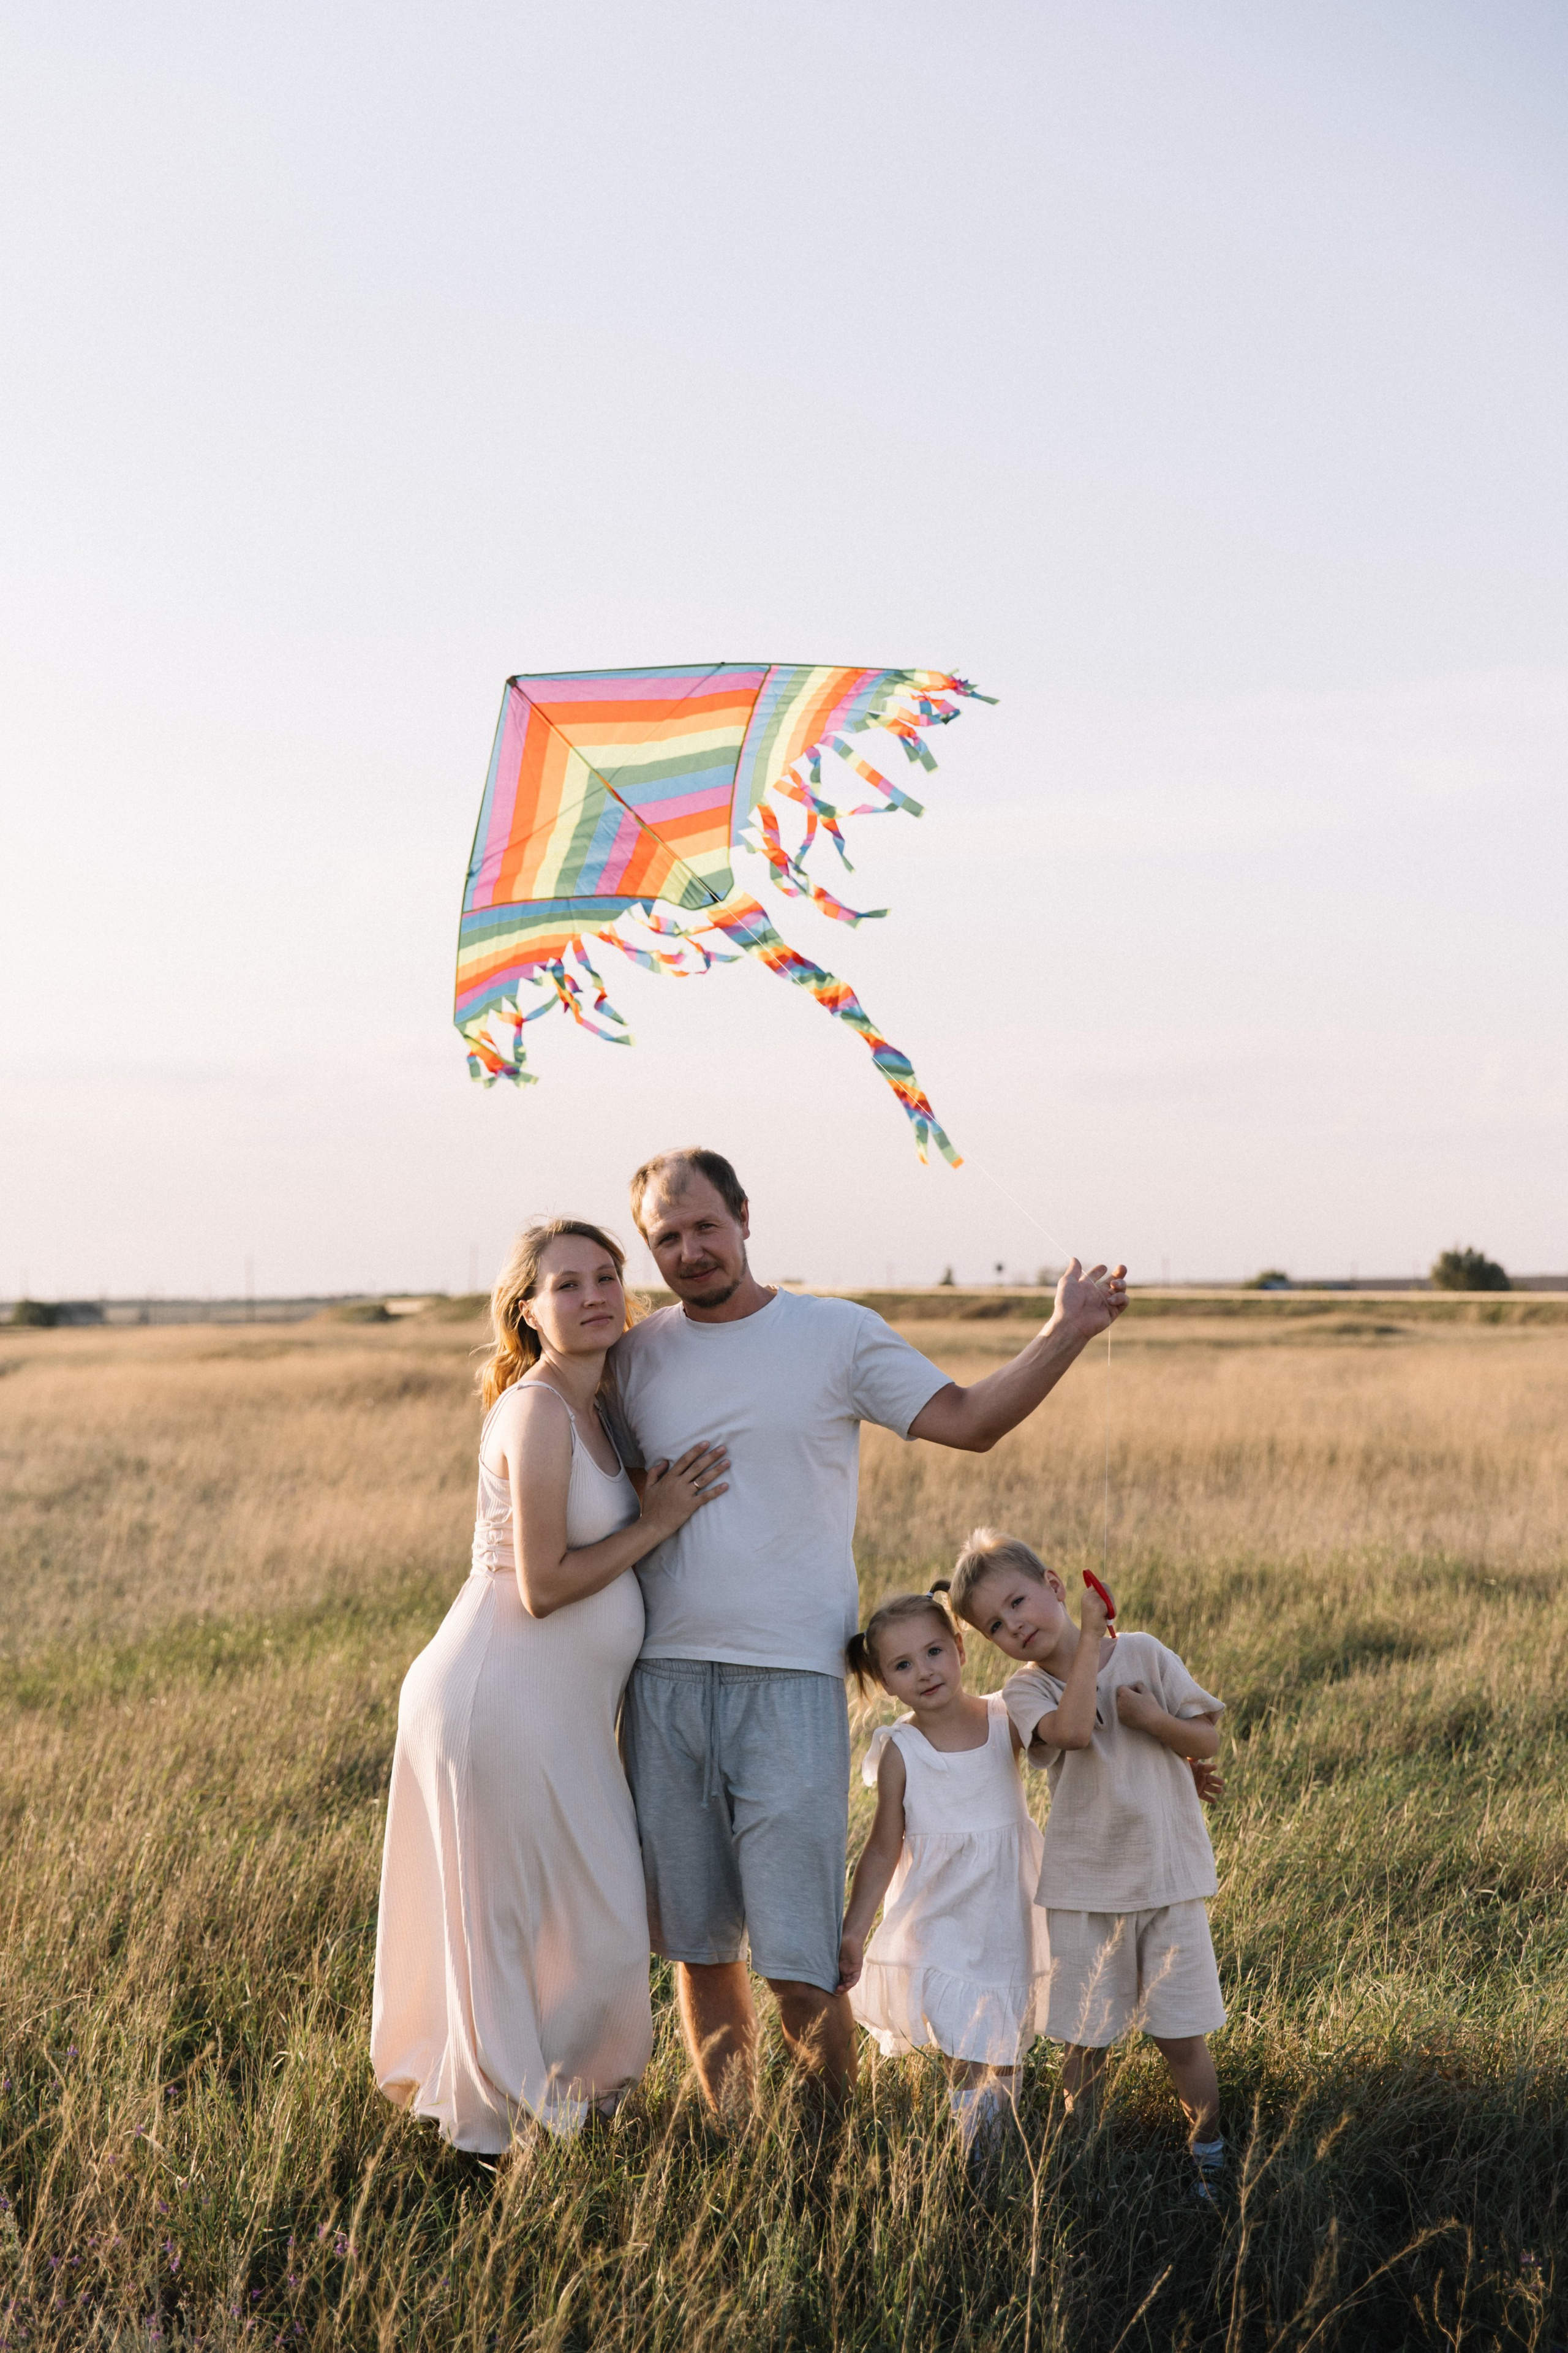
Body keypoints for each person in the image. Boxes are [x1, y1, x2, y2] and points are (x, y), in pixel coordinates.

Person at [610, 1144, 1127, 2113]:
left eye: (705, 1227)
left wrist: (1068, 1330)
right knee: (697, 1947)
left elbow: (971, 1420)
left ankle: (829, 2164)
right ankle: (737, 2142)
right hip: (663, 1683)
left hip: (792, 1684)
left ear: (746, 1217)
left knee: (803, 1961)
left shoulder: (834, 1336)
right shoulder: (636, 1355)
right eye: (666, 1237)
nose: (689, 1250)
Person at [371, 1218, 727, 2149]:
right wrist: (657, 1520)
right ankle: (511, 2128)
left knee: (597, 1918)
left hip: (560, 1714)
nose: (596, 1294)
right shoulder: (535, 1410)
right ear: (527, 1311)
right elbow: (542, 1586)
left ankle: (566, 2104)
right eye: (567, 1284)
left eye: (608, 1276)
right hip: (498, 1697)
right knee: (515, 1918)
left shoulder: (597, 1404)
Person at [947, 1528, 1228, 2199]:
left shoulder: (1143, 1654)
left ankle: (1211, 2157)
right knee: (1084, 2043)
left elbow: (1206, 1733)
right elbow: (1072, 1732)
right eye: (995, 1625)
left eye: (1019, 1602)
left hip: (1168, 1879)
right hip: (1084, 1891)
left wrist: (1155, 1722)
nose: (1014, 1625)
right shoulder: (1024, 1692)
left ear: (1053, 1584)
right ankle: (1084, 2161)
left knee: (1183, 2038)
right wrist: (1089, 1650)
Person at [837, 1590, 1051, 2161]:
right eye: (903, 1665)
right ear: (884, 1681)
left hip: (1004, 1912)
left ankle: (1001, 2153)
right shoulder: (901, 1748)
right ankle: (973, 2159)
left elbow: (1076, 1729)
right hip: (940, 1919)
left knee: (1004, 2045)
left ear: (960, 1648)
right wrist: (855, 1930)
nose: (924, 1671)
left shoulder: (1005, 1717)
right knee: (964, 2041)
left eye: (934, 1651)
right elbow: (883, 1847)